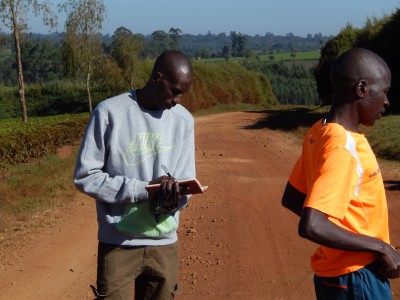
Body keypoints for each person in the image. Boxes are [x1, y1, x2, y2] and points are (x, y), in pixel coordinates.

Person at [74, 50, 196, 299]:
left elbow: (186, 181)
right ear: (157, 78)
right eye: (174, 91)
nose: (178, 100)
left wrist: (176, 197)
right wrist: (144, 189)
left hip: (164, 243)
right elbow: (86, 176)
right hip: (118, 243)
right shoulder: (109, 113)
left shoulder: (184, 121)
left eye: (183, 93)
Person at [281, 48, 400, 299]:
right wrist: (379, 247)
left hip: (337, 276)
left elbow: (292, 197)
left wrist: (342, 228)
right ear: (361, 89)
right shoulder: (342, 146)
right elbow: (312, 225)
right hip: (357, 277)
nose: (387, 102)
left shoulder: (320, 131)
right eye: (385, 92)